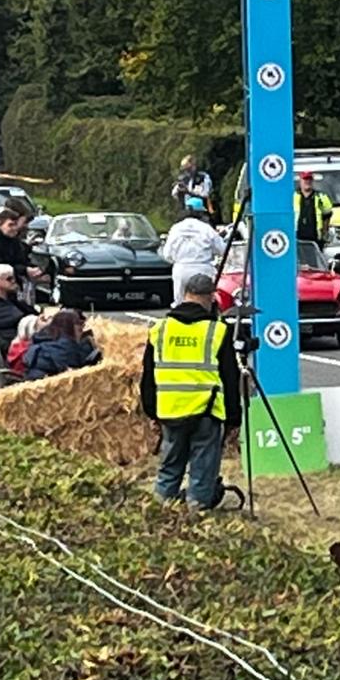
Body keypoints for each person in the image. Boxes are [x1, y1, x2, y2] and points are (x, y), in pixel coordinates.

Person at [139, 273, 241, 510]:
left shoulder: (160, 330)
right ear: (210, 298)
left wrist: (151, 411)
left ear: (185, 295)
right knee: (202, 472)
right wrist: (234, 418)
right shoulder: (217, 331)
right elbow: (230, 378)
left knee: (169, 469)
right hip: (206, 411)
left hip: (170, 410)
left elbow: (148, 377)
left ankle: (160, 514)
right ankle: (196, 519)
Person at [161, 199, 227, 305]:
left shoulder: (176, 228)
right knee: (204, 301)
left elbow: (167, 254)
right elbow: (222, 250)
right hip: (203, 268)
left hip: (181, 269)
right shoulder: (206, 228)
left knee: (179, 302)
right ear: (200, 213)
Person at [23, 309, 101, 380]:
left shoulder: (41, 340)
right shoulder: (67, 346)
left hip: (32, 381)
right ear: (70, 328)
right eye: (79, 327)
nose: (81, 330)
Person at [294, 172, 334, 248]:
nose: (307, 182)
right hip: (297, 237)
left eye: (309, 179)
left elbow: (327, 215)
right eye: (305, 179)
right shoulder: (293, 196)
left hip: (315, 237)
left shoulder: (321, 197)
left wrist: (324, 232)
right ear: (300, 181)